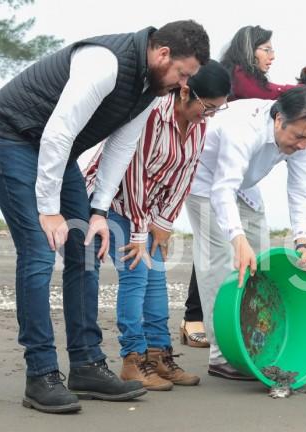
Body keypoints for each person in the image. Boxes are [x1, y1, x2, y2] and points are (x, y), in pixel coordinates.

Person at [0, 20, 210, 413]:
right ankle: (41, 374)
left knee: (85, 248)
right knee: (38, 250)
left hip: (58, 153)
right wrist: (49, 211)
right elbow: (58, 131)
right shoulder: (104, 62)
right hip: (10, 138)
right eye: (182, 74)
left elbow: (123, 144)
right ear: (163, 54)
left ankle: (86, 364)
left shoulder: (152, 88)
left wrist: (99, 210)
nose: (180, 84)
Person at [84, 61, 231, 390]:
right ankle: (132, 360)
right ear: (184, 91)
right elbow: (134, 174)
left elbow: (185, 175)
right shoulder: (151, 114)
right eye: (207, 107)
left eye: (217, 110)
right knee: (136, 276)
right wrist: (138, 232)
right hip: (112, 202)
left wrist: (164, 224)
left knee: (156, 278)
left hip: (149, 210)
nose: (209, 115)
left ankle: (158, 355)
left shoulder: (198, 124)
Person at [186, 86, 306, 380]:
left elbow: (301, 190)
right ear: (278, 120)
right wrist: (237, 240)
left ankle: (251, 345)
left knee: (260, 261)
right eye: (299, 136)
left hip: (246, 187)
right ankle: (222, 355)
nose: (304, 144)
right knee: (221, 263)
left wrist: (302, 240)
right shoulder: (244, 129)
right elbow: (222, 189)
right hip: (204, 182)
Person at [178, 25, 299, 348]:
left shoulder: (258, 86)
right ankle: (211, 334)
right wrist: (301, 91)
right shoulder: (239, 78)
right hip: (210, 169)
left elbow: (275, 94)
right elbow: (274, 96)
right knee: (216, 254)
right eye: (266, 49)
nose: (272, 56)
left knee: (239, 249)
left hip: (240, 175)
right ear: (250, 50)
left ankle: (237, 327)